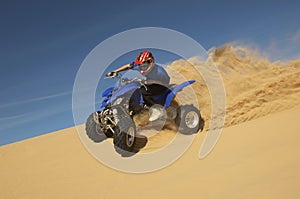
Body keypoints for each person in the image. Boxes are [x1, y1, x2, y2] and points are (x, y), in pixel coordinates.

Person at [106, 50, 170, 121]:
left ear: (150, 62)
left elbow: (165, 83)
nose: (141, 69)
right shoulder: (140, 66)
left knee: (143, 90)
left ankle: (157, 110)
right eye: (140, 66)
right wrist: (115, 71)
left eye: (144, 66)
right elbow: (128, 66)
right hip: (149, 83)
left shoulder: (160, 71)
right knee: (134, 90)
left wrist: (152, 81)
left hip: (162, 87)